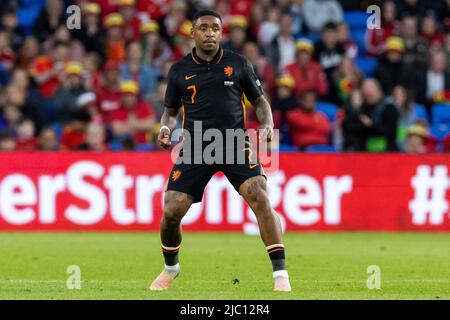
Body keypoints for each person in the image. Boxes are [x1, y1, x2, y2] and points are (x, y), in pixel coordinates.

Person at [151, 10, 291, 292]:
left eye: (215, 28)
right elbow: (169, 113)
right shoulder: (179, 70)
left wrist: (267, 124)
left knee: (259, 197)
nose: (210, 33)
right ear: (192, 33)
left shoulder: (238, 64)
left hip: (234, 143)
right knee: (171, 210)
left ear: (221, 32)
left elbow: (260, 102)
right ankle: (171, 267)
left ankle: (281, 275)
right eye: (203, 28)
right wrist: (165, 129)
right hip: (195, 147)